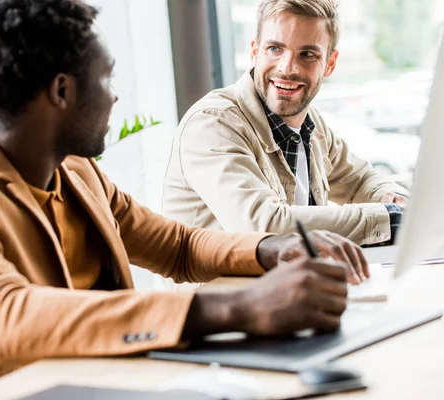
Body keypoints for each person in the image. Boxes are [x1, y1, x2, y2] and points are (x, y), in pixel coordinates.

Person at [0, 1, 366, 398]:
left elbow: (177, 246)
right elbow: (1, 314)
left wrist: (271, 248)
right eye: (107, 80)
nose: (115, 99)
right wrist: (237, 308)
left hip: (121, 382)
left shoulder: (76, 170)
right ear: (61, 91)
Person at [162, 0, 408, 247]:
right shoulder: (212, 124)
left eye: (308, 54)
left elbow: (361, 180)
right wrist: (388, 220)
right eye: (275, 49)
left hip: (292, 283)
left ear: (330, 64)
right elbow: (263, 225)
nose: (287, 68)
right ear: (254, 52)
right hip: (225, 286)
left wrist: (397, 201)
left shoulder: (312, 126)